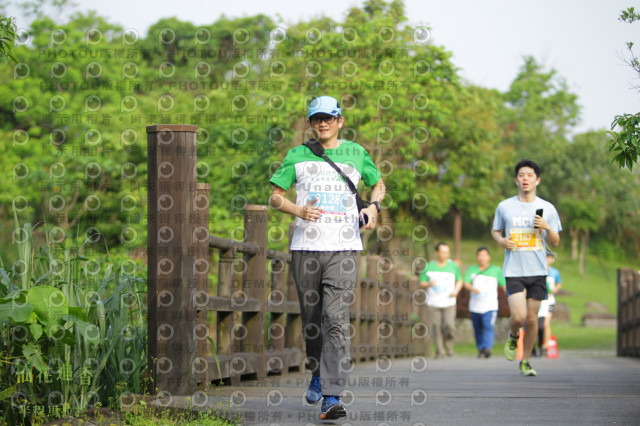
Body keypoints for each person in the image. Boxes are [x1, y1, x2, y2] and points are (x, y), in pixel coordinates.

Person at [268, 95, 385, 420]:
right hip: (305, 249)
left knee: (335, 319)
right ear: (311, 122)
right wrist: (298, 210)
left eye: (329, 118)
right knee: (312, 321)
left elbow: (378, 185)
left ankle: (331, 395)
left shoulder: (356, 153)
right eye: (317, 118)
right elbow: (275, 198)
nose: (323, 123)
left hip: (344, 248)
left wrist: (373, 207)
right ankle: (317, 373)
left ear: (340, 121)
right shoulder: (297, 154)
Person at [492, 159, 562, 376]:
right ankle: (513, 336)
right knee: (519, 317)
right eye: (521, 175)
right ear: (516, 180)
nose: (525, 179)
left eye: (530, 175)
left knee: (532, 319)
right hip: (513, 270)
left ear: (537, 180)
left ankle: (526, 361)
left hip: (538, 271)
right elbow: (496, 231)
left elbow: (556, 242)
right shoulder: (505, 206)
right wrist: (502, 241)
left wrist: (547, 227)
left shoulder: (547, 208)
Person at [419, 242, 463, 358]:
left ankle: (448, 346)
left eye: (447, 252)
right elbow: (422, 282)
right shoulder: (429, 266)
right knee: (436, 327)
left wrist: (456, 291)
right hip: (433, 302)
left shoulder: (453, 266)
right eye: (443, 252)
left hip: (449, 302)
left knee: (449, 326)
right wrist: (429, 283)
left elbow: (459, 280)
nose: (446, 255)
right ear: (437, 253)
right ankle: (440, 351)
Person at [463, 246, 506, 358]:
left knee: (488, 326)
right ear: (477, 257)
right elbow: (466, 283)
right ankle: (481, 349)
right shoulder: (472, 270)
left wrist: (511, 296)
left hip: (490, 305)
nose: (482, 258)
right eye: (480, 255)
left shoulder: (496, 270)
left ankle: (487, 348)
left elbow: (504, 285)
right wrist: (473, 289)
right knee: (477, 329)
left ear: (489, 257)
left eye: (484, 255)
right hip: (475, 305)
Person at [537, 253, 562, 356]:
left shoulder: (554, 272)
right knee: (538, 325)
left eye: (549, 258)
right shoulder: (538, 270)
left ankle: (545, 346)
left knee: (546, 324)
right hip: (539, 299)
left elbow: (559, 283)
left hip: (549, 300)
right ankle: (537, 345)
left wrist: (555, 289)